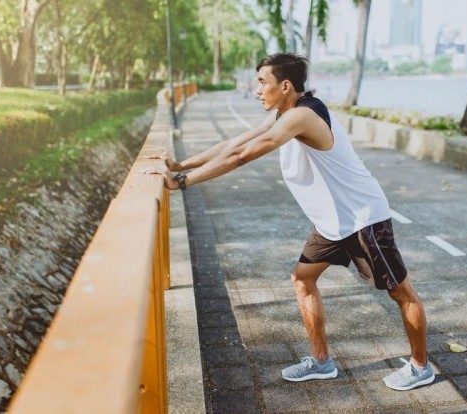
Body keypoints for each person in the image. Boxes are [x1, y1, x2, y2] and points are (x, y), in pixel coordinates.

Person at [142, 53, 435, 391]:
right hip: (332, 224)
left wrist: (182, 183)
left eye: (262, 83)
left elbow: (244, 156)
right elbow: (237, 142)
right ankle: (322, 362)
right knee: (302, 279)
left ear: (285, 86)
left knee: (401, 293)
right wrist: (180, 165)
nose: (256, 90)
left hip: (362, 219)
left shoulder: (303, 116)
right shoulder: (286, 111)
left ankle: (420, 366)